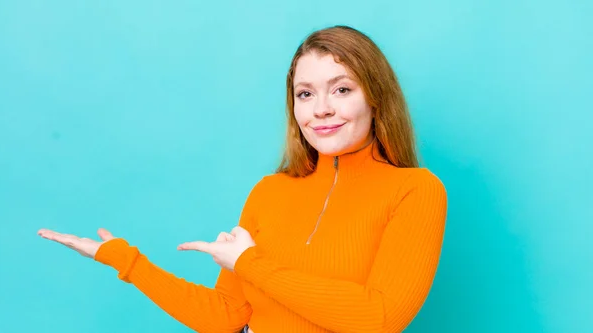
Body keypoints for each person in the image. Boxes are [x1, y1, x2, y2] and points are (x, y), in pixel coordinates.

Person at [38, 25, 447, 333]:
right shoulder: (270, 191)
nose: (320, 109)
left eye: (341, 89)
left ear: (375, 97)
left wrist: (250, 264)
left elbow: (379, 316)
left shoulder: (415, 190)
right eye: (305, 94)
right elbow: (227, 315)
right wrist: (126, 262)